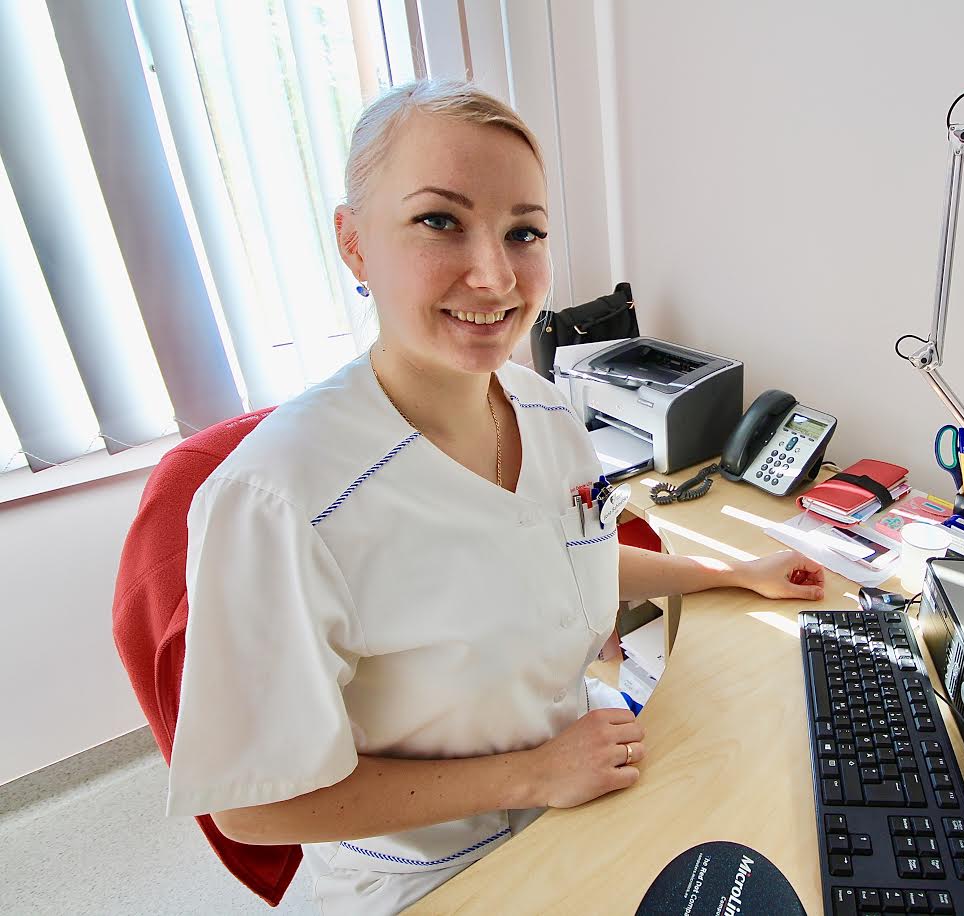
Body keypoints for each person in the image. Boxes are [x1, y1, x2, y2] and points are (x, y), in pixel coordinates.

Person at [165, 78, 826, 914]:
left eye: (525, 232)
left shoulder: (546, 410)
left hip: (578, 797)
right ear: (354, 242)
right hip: (422, 875)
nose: (494, 275)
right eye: (439, 220)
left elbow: (560, 556)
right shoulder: (277, 498)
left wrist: (733, 573)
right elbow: (254, 804)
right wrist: (535, 773)